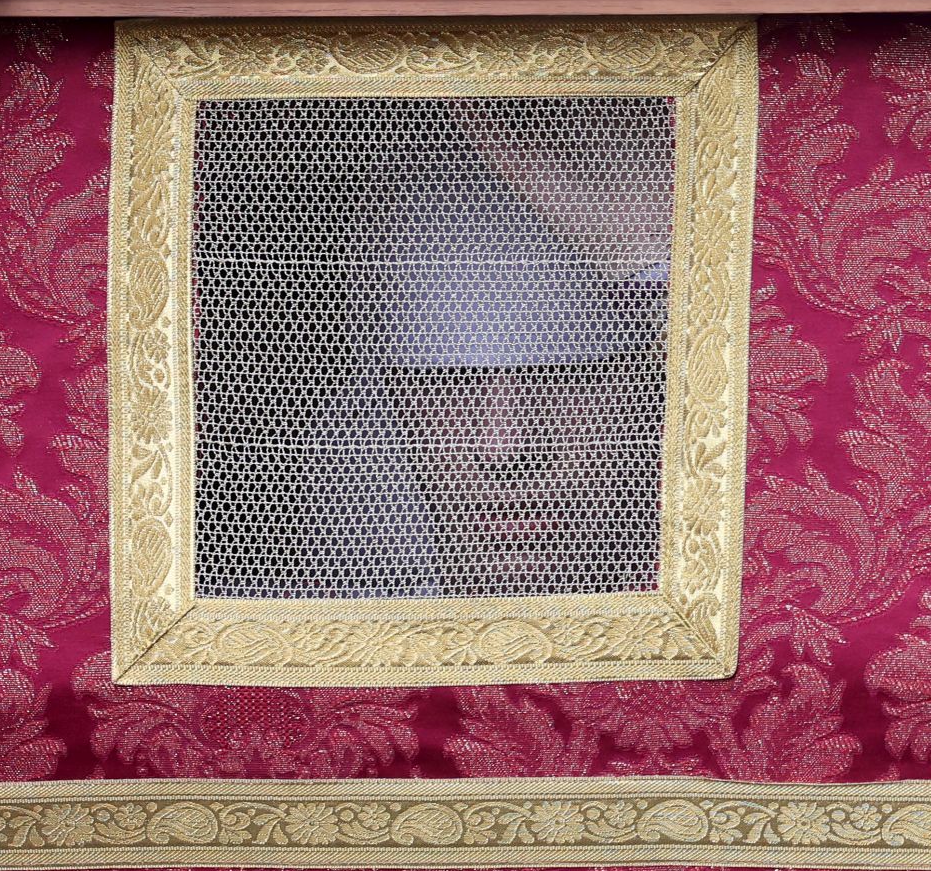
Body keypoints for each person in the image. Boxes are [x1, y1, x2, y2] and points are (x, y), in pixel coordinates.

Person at [191, 95, 675, 601]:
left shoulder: (739, 611)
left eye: (567, 375)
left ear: (654, 380)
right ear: (379, 399)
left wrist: (661, 263)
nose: (505, 448)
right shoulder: (276, 644)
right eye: (447, 381)